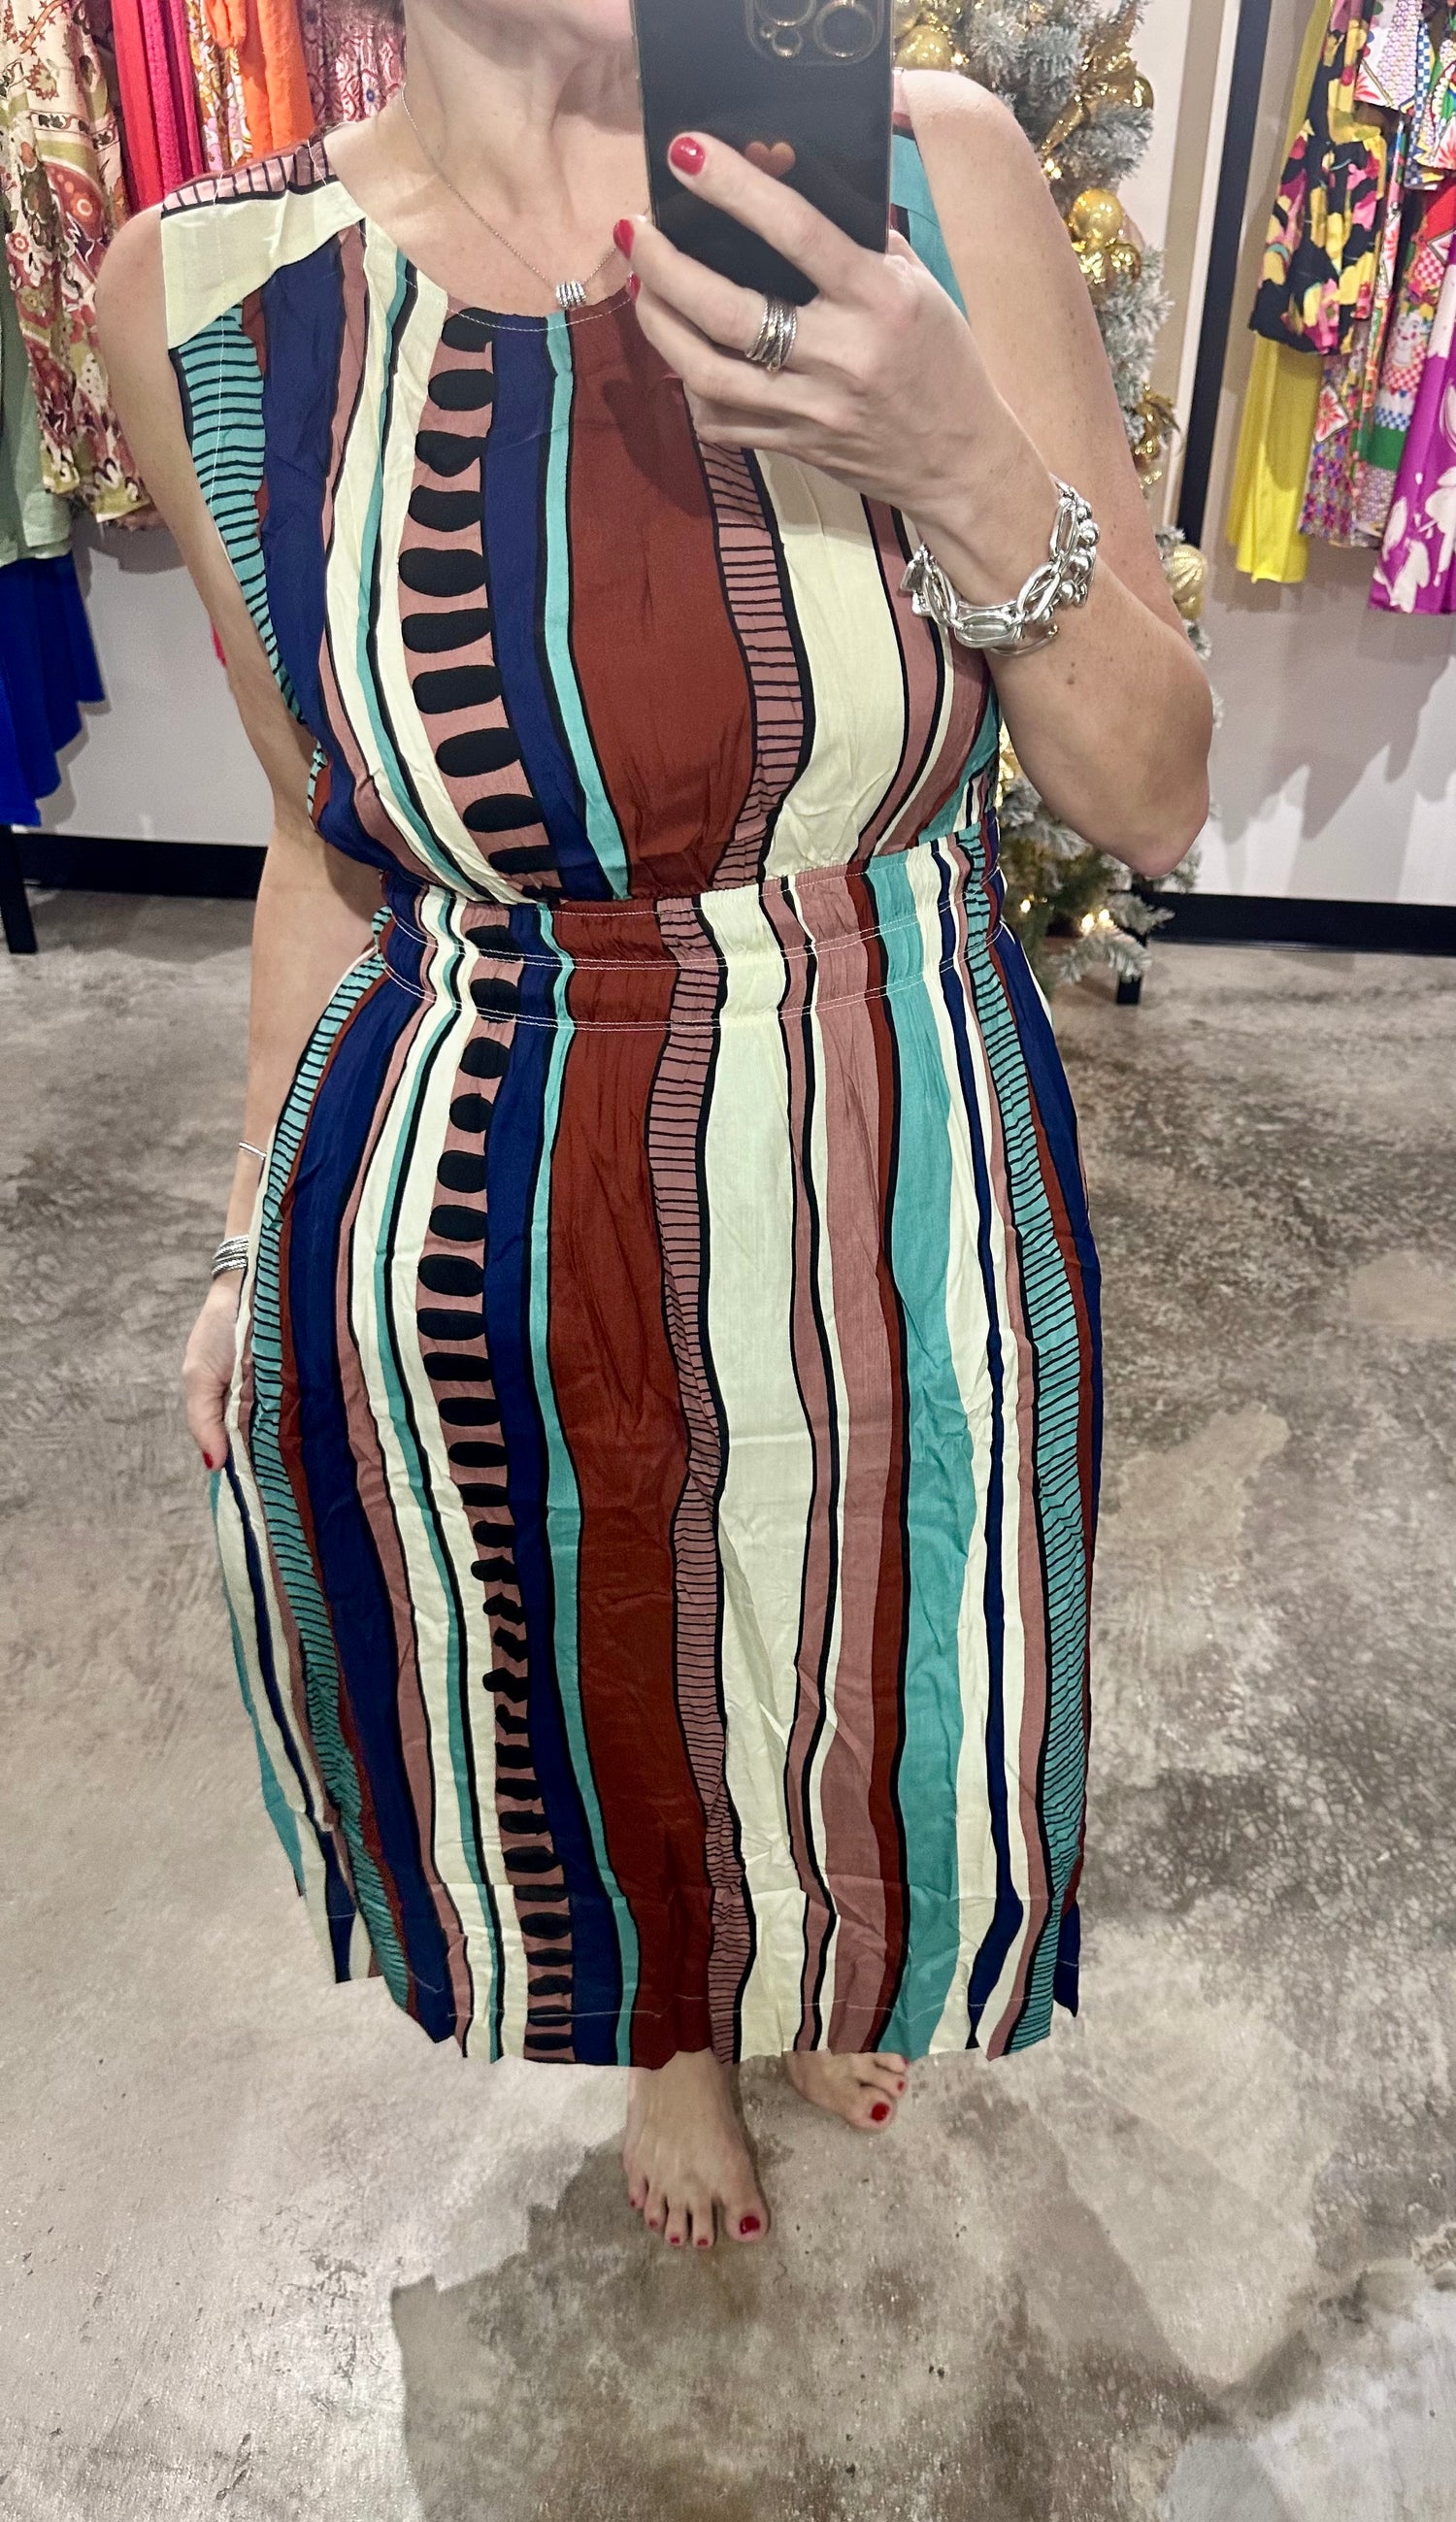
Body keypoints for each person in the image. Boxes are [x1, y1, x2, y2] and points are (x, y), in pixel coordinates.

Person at [97, 0, 1211, 2258]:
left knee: (855, 1632)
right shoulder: (205, 292)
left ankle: (797, 1976)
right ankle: (673, 2031)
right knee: (586, 1638)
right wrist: (237, 1238)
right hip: (484, 1159)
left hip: (886, 1137)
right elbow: (322, 840)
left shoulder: (927, 173)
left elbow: (1155, 793)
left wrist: (955, 450)